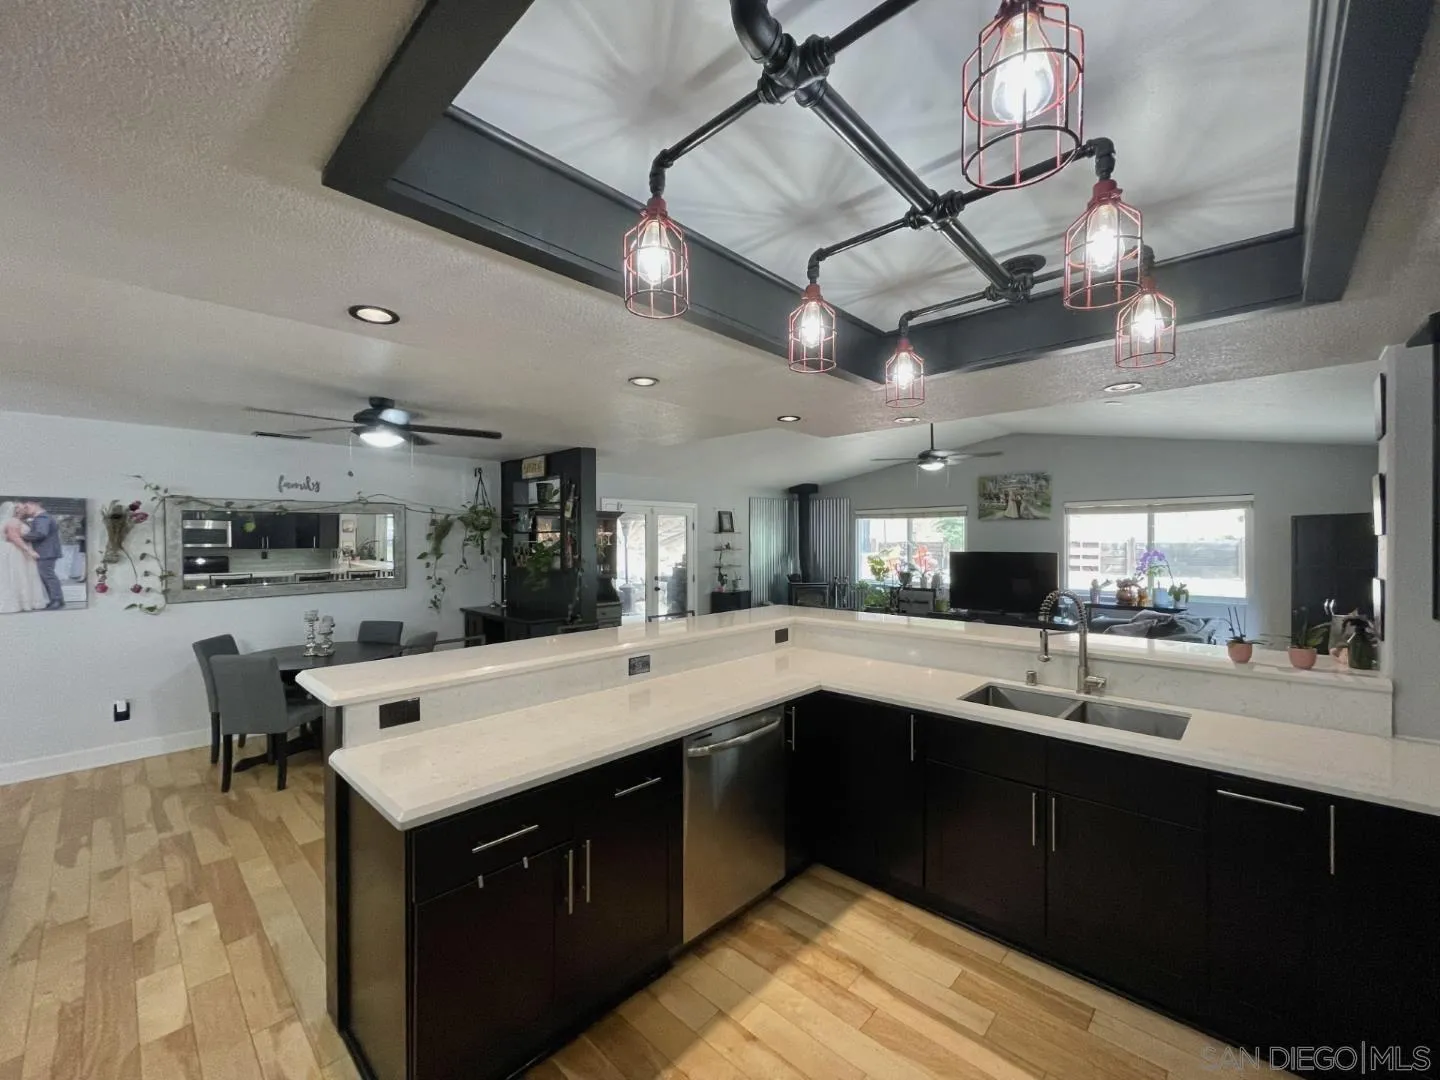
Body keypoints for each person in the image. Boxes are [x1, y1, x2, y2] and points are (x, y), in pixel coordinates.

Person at [0, 501, 47, 613]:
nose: (24, 511)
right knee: (18, 575)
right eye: (22, 509)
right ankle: (20, 602)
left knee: (9, 576)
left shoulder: (7, 521)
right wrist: (30, 551)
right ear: (17, 511)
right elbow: (14, 537)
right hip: (15, 551)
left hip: (7, 550)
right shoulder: (14, 522)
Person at [19, 501, 65, 610]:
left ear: (35, 505)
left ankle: (57, 600)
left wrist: (22, 536)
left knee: (48, 576)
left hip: (46, 551)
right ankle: (57, 600)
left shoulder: (42, 518)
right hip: (47, 551)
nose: (25, 510)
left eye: (27, 506)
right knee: (47, 576)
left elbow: (40, 533)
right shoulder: (44, 517)